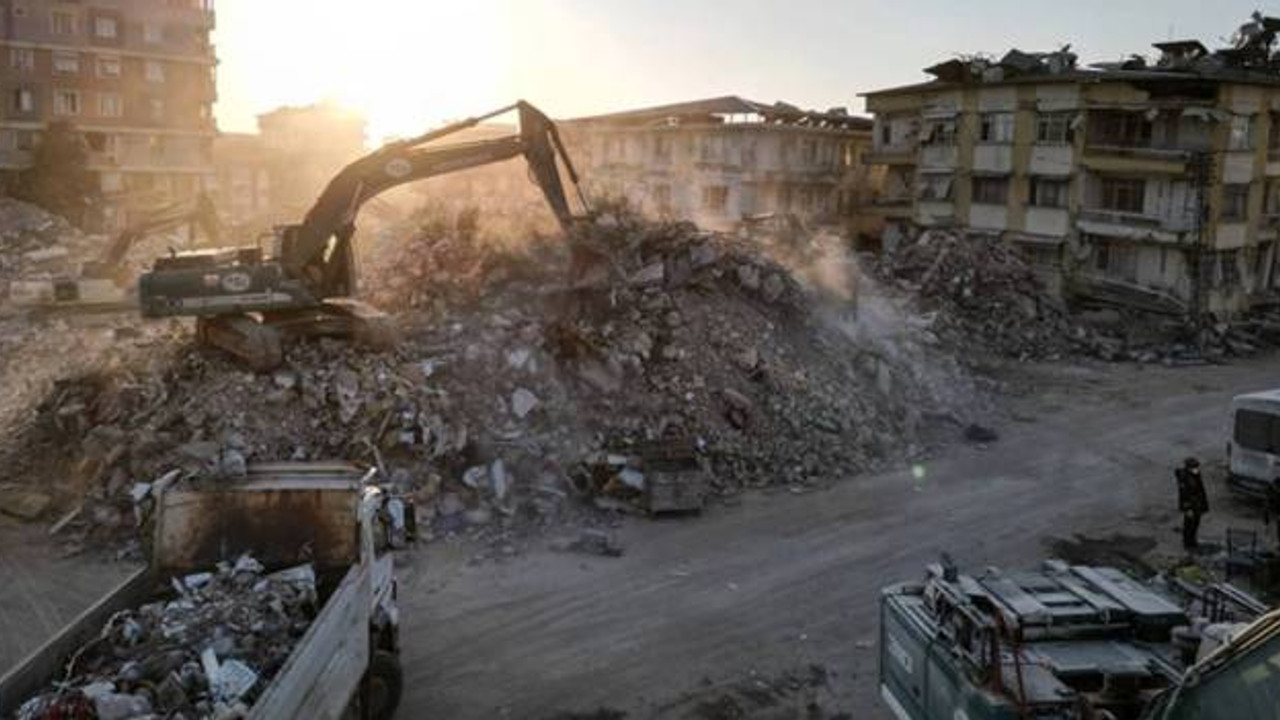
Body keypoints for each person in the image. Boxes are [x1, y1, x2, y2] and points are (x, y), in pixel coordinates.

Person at [1176, 457, 1209, 550]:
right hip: (1190, 506)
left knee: (1195, 524)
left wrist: (1203, 505)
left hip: (1197, 504)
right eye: (1194, 467)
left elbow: (1201, 490)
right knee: (1189, 525)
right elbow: (1183, 495)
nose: (1196, 469)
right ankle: (1188, 543)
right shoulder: (1184, 478)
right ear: (1188, 468)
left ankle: (1193, 541)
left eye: (1197, 467)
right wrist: (1187, 509)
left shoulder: (1195, 475)